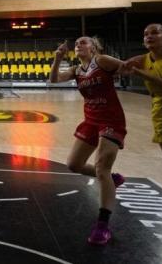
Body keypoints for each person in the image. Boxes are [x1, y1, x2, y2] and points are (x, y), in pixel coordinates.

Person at [49, 37, 127, 245]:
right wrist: (58, 58)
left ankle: (102, 226)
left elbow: (127, 69)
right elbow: (54, 79)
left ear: (93, 47)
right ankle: (113, 178)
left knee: (102, 168)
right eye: (76, 44)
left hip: (111, 121)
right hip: (91, 121)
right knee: (73, 164)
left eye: (83, 42)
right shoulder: (76, 70)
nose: (78, 45)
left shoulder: (102, 61)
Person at [124, 24, 162, 189]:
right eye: (145, 34)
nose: (149, 36)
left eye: (155, 33)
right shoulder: (141, 60)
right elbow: (118, 68)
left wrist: (139, 72)